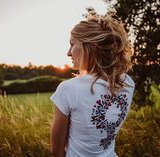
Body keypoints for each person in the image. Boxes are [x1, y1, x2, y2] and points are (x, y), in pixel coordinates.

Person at [50, 15, 135, 157]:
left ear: (89, 46)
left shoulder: (68, 89)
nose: (68, 52)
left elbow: (56, 150)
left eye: (72, 44)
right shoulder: (128, 83)